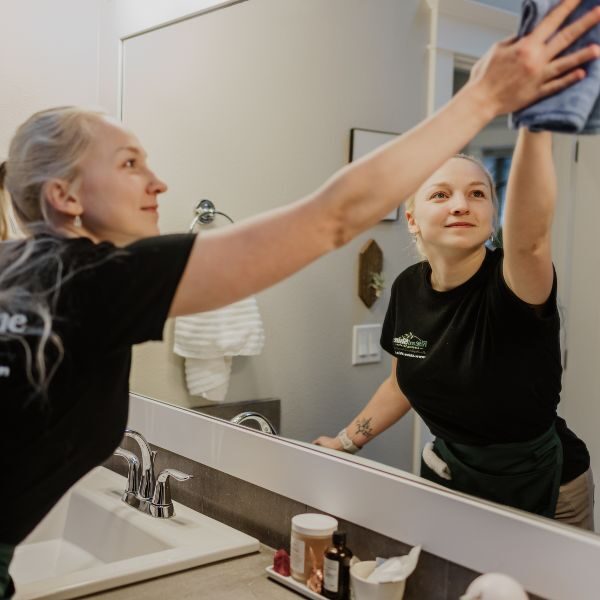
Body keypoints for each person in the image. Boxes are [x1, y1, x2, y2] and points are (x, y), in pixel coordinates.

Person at [1, 1, 599, 596]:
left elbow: (528, 241)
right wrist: (489, 97)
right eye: (131, 162)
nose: (159, 182)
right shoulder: (98, 280)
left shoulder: (17, 270)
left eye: (476, 193)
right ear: (65, 197)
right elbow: (331, 219)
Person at [314, 136, 594, 529]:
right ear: (412, 219)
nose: (461, 204)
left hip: (546, 484)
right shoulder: (408, 288)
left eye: (477, 194)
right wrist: (345, 443)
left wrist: (535, 129)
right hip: (454, 477)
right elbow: (400, 384)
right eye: (441, 194)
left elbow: (530, 242)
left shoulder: (513, 283)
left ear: (494, 213)